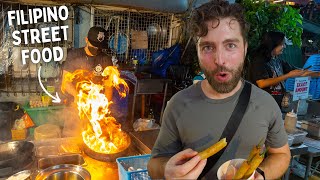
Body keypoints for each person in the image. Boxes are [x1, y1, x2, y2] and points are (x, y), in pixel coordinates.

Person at [147, 1, 291, 179]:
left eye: (230, 45)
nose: (220, 60)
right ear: (198, 52)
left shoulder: (266, 104)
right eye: (208, 47)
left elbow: (282, 154)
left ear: (245, 48)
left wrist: (261, 175)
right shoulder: (178, 104)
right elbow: (154, 163)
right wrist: (167, 169)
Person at [249, 31, 320, 108]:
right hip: (261, 105)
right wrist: (287, 75)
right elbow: (262, 83)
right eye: (282, 44)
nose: (285, 47)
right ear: (273, 44)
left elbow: (301, 72)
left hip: (276, 105)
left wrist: (318, 74)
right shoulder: (259, 60)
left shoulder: (278, 60)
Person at [61, 26, 113, 103]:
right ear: (86, 40)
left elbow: (108, 87)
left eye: (99, 47)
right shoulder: (74, 55)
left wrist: (104, 105)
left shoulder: (106, 59)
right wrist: (78, 97)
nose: (96, 49)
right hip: (76, 102)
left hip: (97, 102)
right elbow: (66, 82)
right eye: (94, 45)